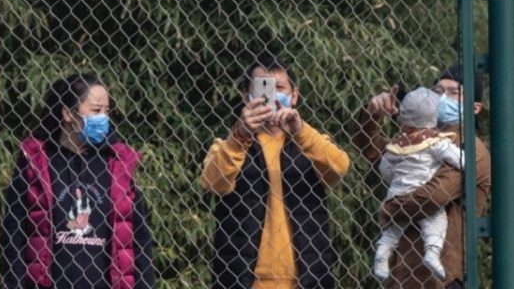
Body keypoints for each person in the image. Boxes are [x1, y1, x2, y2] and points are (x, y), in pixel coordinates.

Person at [200, 54, 349, 289]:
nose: (271, 94)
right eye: (262, 87)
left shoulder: (310, 143)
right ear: (246, 96)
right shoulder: (228, 145)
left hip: (305, 279)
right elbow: (213, 182)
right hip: (242, 279)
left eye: (279, 87)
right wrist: (240, 134)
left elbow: (339, 168)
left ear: (294, 95)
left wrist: (300, 132)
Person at [0, 73, 155, 289]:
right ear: (68, 113)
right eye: (95, 110)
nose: (103, 118)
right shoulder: (36, 162)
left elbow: (140, 238)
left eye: (106, 111)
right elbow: (14, 232)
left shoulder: (117, 163)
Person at [354, 64, 491, 289]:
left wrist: (389, 208)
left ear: (475, 108)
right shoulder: (420, 139)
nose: (442, 99)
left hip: (440, 279)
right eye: (437, 92)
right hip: (400, 275)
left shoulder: (470, 149)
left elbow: (432, 196)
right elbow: (371, 151)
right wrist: (372, 115)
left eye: (454, 93)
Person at [371, 88, 464, 282]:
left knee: (392, 231)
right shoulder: (436, 142)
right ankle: (432, 252)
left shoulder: (399, 144)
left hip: (396, 192)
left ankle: (382, 253)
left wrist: (395, 180)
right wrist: (465, 161)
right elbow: (458, 159)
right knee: (436, 221)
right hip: (422, 190)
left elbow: (385, 168)